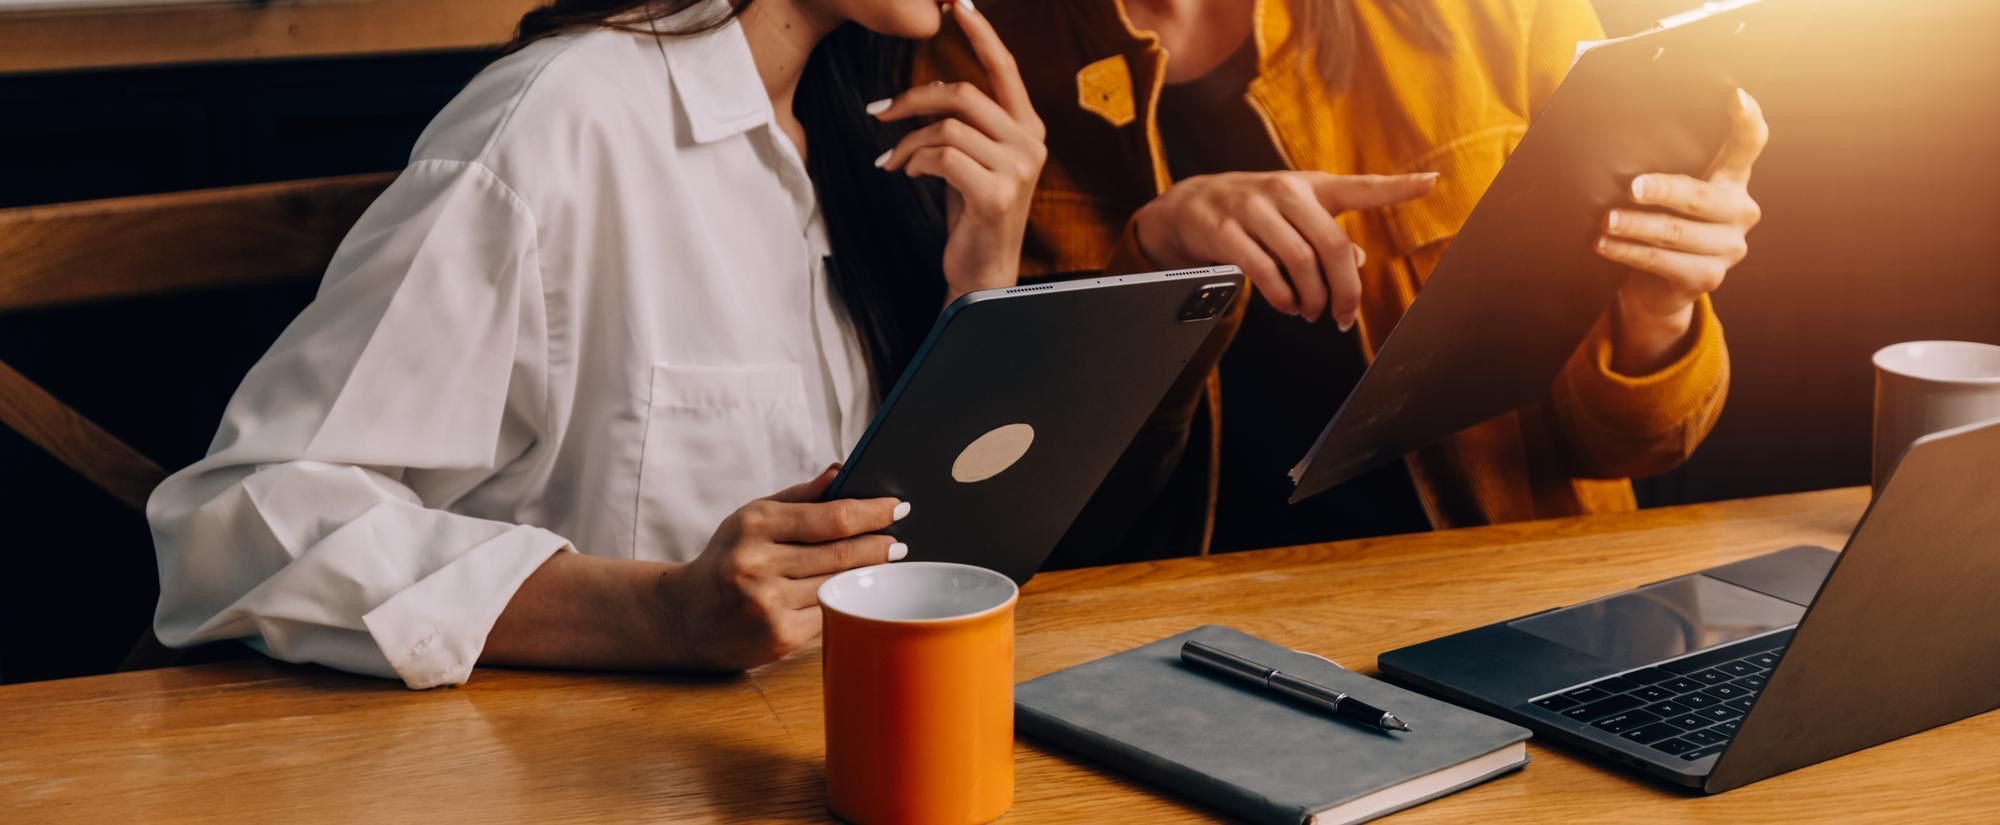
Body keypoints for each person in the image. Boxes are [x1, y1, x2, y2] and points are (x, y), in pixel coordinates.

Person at [147, 0, 1047, 688]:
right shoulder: (561, 119)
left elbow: (908, 552)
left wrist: (980, 285)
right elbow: (241, 523)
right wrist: (662, 613)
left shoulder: (863, 145)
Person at [915, 0, 1765, 561]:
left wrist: (1660, 303)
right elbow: (1036, 517)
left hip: (1511, 600)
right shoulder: (972, 55)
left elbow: (1630, 450)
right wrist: (1155, 254)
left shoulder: (1490, 17)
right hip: (1181, 639)